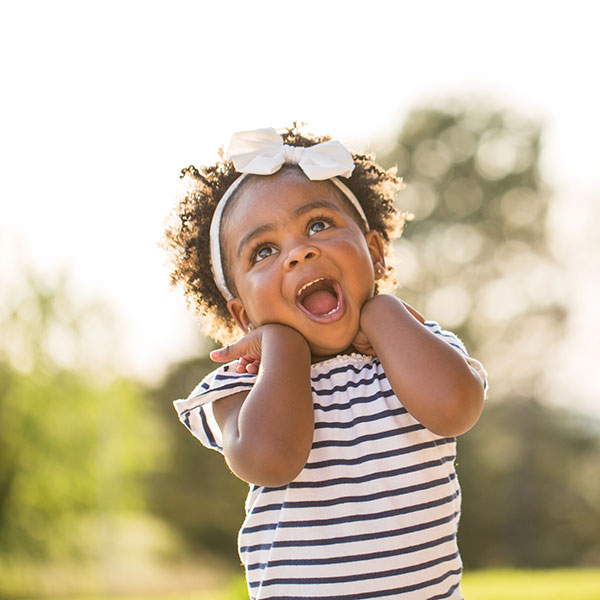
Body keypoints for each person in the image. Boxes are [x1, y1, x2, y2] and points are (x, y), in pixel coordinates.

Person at [163, 125, 487, 600]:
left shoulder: (413, 348)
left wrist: (384, 311)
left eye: (318, 225)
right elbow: (270, 460)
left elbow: (457, 408)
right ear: (243, 315)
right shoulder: (241, 385)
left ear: (374, 254)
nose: (300, 252)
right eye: (264, 251)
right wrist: (285, 350)